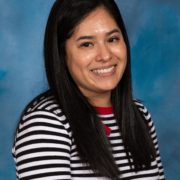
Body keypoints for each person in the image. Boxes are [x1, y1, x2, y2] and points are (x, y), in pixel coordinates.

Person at [12, 0, 165, 179]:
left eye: (112, 39)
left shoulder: (140, 115)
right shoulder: (46, 125)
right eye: (87, 44)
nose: (106, 55)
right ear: (62, 54)